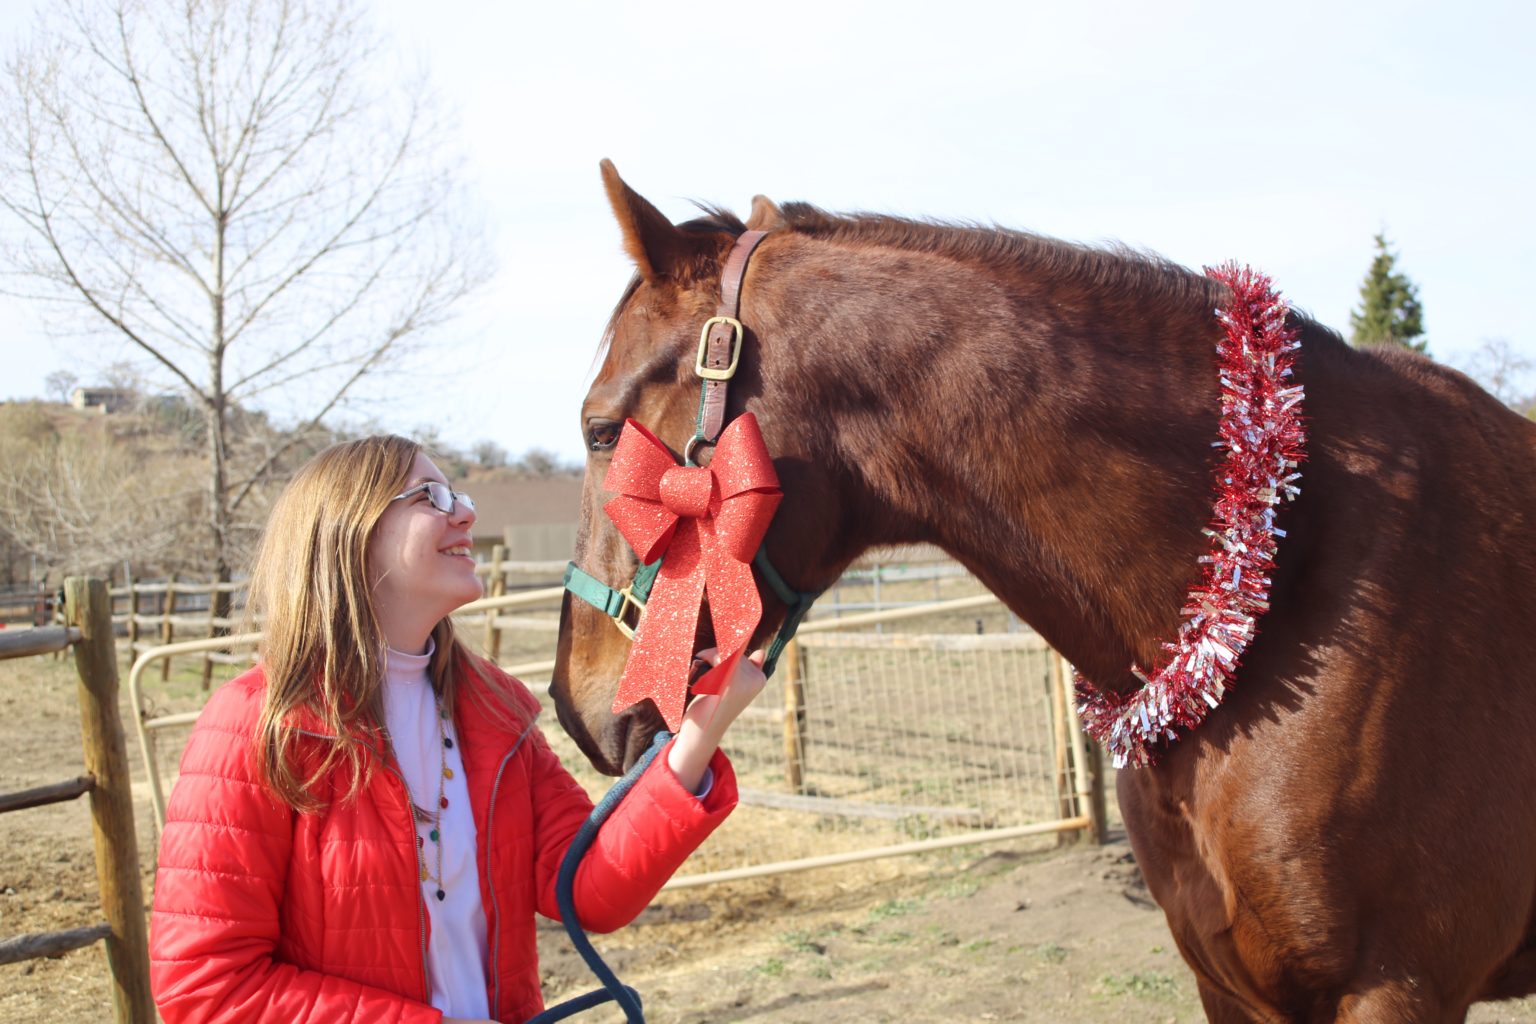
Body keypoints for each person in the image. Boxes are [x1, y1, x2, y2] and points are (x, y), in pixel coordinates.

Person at [149, 435, 763, 1024]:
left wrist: (698, 736)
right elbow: (205, 988)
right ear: (345, 534)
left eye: (460, 497)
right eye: (429, 498)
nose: (465, 515)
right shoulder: (257, 725)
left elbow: (589, 889)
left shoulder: (496, 713)